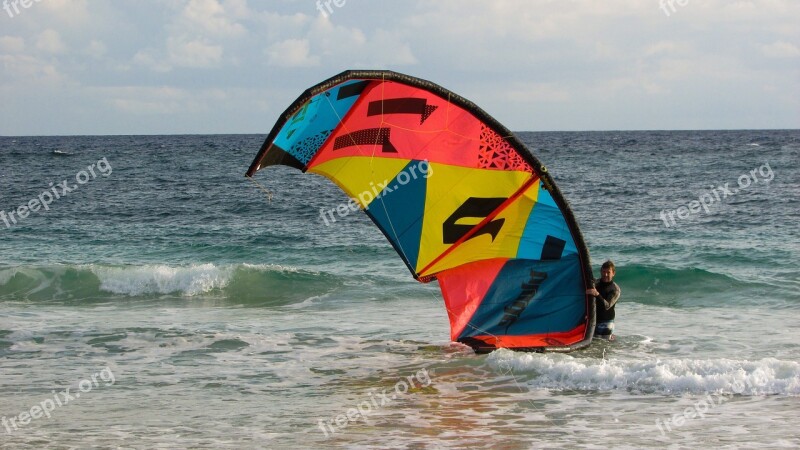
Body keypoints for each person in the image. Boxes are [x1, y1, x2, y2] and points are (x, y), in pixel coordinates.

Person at [586, 260, 621, 338]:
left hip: (607, 322)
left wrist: (596, 294)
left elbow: (607, 306)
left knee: (604, 346)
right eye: (603, 272)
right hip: (594, 320)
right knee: (593, 346)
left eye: (608, 272)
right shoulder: (596, 283)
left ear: (613, 273)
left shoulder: (615, 289)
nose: (605, 274)